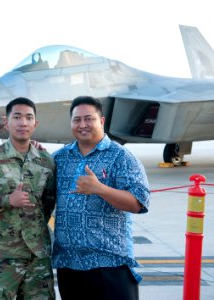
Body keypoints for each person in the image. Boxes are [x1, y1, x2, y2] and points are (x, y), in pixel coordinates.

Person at [52, 95, 150, 300]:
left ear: (102, 121)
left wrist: (100, 189)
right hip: (69, 265)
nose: (83, 124)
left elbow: (139, 203)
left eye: (89, 118)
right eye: (77, 120)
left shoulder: (121, 156)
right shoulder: (59, 158)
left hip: (110, 265)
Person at [0, 97, 56, 299]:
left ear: (35, 124)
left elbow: (48, 202)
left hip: (37, 257)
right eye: (17, 117)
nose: (23, 122)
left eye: (28, 117)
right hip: (1, 257)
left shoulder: (46, 161)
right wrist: (7, 201)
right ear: (6, 122)